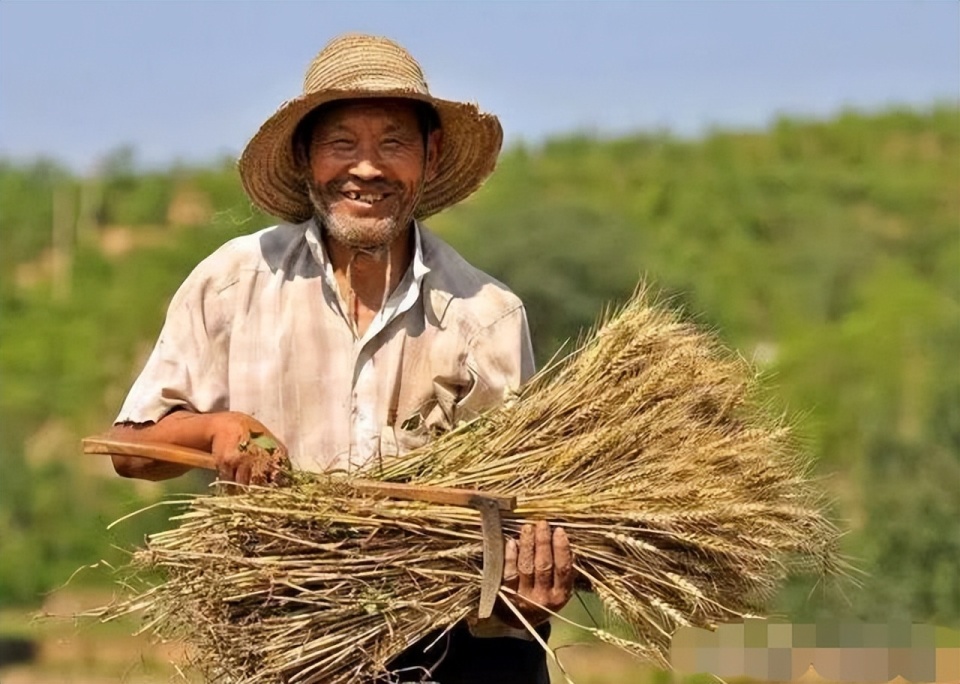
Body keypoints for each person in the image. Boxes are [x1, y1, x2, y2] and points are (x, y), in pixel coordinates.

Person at [106, 33, 574, 683]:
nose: (367, 168)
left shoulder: (487, 314)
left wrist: (528, 586)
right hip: (283, 638)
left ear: (430, 156)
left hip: (450, 644)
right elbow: (128, 448)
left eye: (393, 143)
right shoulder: (234, 284)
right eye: (341, 144)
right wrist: (218, 429)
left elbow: (520, 510)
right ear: (305, 157)